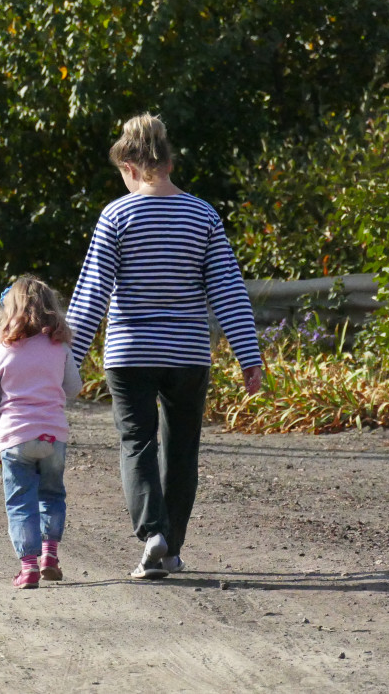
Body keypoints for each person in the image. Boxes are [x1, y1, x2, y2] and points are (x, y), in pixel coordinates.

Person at [66, 113, 263, 580]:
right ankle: (170, 548)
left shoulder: (117, 215)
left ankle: (153, 534)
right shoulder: (203, 215)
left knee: (137, 442)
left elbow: (92, 293)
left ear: (130, 167)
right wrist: (248, 355)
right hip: (187, 354)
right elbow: (228, 291)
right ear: (169, 163)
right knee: (181, 451)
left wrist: (66, 361)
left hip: (130, 352)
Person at [0, 275, 83, 589]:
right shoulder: (60, 348)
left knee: (21, 501)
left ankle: (28, 569)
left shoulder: (3, 352)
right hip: (53, 437)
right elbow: (74, 388)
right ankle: (50, 555)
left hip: (16, 440)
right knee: (52, 495)